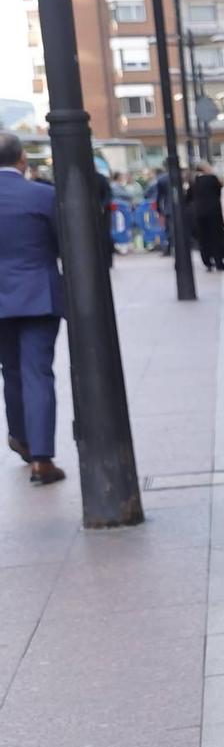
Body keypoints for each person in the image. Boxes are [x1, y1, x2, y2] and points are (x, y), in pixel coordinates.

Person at [0, 132, 64, 485]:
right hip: (38, 295)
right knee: (37, 372)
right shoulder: (43, 195)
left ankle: (21, 439)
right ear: (22, 160)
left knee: (10, 371)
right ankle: (42, 458)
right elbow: (62, 242)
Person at [186, 161, 224, 270]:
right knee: (217, 238)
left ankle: (207, 262)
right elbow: (220, 190)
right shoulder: (212, 178)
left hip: (199, 213)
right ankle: (219, 262)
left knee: (203, 238)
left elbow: (188, 197)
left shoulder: (193, 181)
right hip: (214, 212)